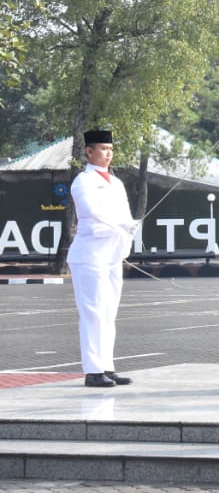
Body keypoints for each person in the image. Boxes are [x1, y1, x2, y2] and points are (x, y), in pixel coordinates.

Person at [68, 129, 140, 388]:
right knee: (92, 313)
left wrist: (128, 232)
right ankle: (93, 370)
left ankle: (106, 366)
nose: (108, 154)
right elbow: (91, 211)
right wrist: (122, 224)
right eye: (102, 149)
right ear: (89, 151)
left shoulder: (116, 182)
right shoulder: (83, 181)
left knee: (108, 313)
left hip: (111, 255)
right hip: (89, 255)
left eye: (110, 149)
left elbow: (124, 214)